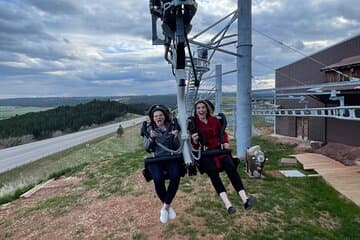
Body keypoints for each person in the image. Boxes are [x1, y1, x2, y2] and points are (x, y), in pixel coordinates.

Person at [190, 100, 256, 214]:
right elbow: (194, 143)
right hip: (206, 153)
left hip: (219, 150)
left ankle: (245, 199)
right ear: (196, 111)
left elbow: (222, 133)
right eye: (198, 108)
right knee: (213, 173)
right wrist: (195, 141)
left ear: (207, 109)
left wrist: (225, 142)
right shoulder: (194, 124)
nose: (201, 110)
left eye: (203, 108)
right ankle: (228, 204)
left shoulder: (215, 120)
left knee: (231, 168)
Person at [143, 105, 182, 224]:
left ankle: (165, 207)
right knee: (158, 178)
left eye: (160, 115)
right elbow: (147, 148)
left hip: (170, 157)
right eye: (156, 116)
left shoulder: (172, 127)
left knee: (175, 176)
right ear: (152, 118)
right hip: (156, 159)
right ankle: (168, 207)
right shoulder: (149, 129)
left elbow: (177, 147)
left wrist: (175, 137)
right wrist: (151, 139)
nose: (158, 117)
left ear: (165, 116)